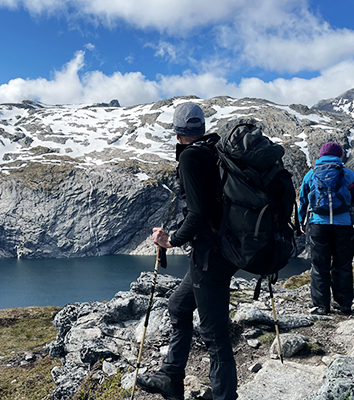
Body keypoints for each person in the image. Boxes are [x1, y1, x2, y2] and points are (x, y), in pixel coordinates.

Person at [136, 103, 239, 400]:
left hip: (211, 256)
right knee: (179, 307)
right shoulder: (213, 151)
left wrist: (172, 241)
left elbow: (199, 213)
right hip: (217, 252)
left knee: (215, 336)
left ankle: (224, 397)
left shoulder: (192, 157)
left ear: (178, 132)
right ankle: (170, 377)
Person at [298, 142, 354, 315]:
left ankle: (322, 306)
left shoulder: (311, 174)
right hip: (344, 226)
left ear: (320, 156)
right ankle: (344, 305)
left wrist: (301, 222)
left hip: (318, 225)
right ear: (340, 156)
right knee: (342, 265)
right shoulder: (348, 174)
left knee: (319, 265)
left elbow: (302, 200)